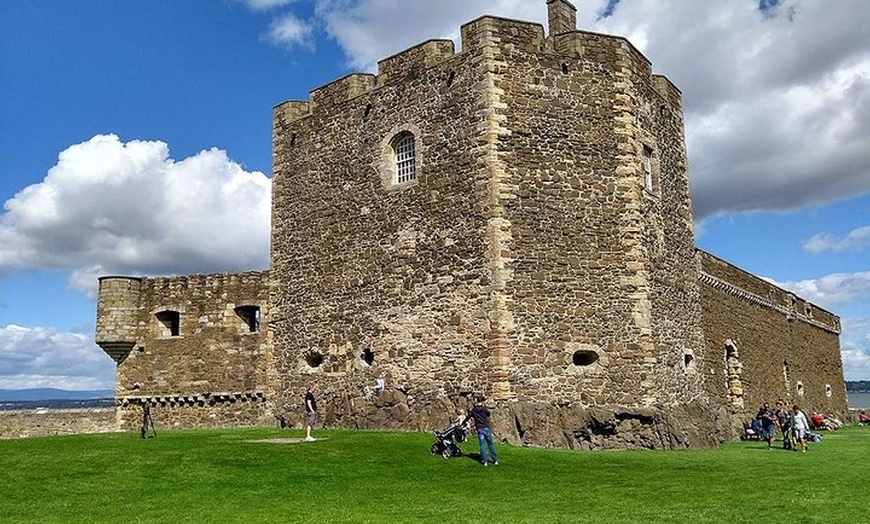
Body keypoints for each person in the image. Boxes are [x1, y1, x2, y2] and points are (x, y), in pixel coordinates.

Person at [463, 394, 498, 466]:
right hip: (486, 427)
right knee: (490, 444)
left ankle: (485, 461)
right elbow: (488, 414)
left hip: (479, 428)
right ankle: (495, 460)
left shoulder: (474, 410)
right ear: (482, 401)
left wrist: (463, 423)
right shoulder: (484, 409)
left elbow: (468, 417)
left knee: (482, 445)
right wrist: (484, 407)